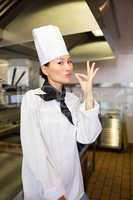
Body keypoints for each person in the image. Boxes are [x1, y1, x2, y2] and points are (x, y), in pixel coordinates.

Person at [20, 25, 102, 200]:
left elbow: (86, 137)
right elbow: (34, 150)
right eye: (60, 62)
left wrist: (88, 95)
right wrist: (55, 193)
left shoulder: (72, 100)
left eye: (69, 61)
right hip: (46, 193)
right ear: (45, 69)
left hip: (75, 189)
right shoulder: (32, 99)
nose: (68, 67)